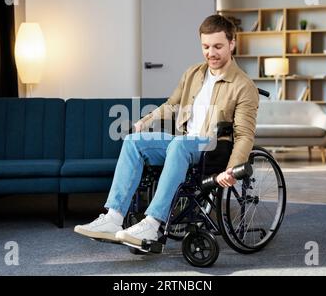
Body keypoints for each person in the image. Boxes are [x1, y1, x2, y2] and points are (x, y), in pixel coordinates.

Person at [74, 14, 259, 247]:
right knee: (133, 140)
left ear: (232, 43)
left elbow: (244, 135)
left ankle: (152, 224)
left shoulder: (244, 86)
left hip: (213, 147)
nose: (211, 52)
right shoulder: (194, 73)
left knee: (178, 145)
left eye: (218, 46)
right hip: (183, 141)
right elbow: (172, 104)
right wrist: (146, 120)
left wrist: (232, 170)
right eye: (206, 46)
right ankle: (113, 217)